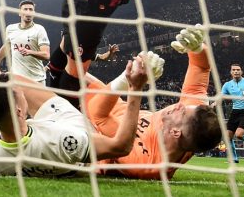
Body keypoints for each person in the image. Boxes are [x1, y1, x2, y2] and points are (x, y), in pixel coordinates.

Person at [0, 54, 150, 176]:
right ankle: (119, 80)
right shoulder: (64, 141)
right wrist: (136, 89)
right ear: (21, 110)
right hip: (71, 124)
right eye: (19, 96)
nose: (22, 94)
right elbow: (120, 146)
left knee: (8, 80)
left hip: (34, 134)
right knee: (14, 78)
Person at [80, 25, 221, 179]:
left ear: (175, 132)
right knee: (71, 70)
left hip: (87, 126)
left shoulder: (145, 163)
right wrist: (198, 48)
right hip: (112, 106)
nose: (180, 105)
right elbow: (200, 67)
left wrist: (128, 80)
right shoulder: (192, 119)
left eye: (182, 112)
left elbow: (97, 115)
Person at [0, 0, 50, 84]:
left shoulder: (39, 29)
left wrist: (29, 52)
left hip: (37, 79)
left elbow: (46, 55)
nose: (28, 12)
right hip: (17, 80)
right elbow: (6, 47)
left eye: (31, 9)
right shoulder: (10, 29)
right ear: (19, 13)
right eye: (25, 9)